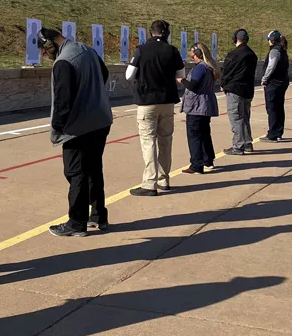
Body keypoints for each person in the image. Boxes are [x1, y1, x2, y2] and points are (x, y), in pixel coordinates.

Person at [37, 28, 113, 237]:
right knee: (93, 169)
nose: (45, 56)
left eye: (45, 51)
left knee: (75, 172)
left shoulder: (63, 62)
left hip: (79, 126)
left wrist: (58, 127)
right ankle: (98, 216)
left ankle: (76, 222)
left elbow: (63, 100)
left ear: (49, 43)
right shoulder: (87, 50)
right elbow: (104, 74)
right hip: (100, 119)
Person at [126, 20, 185, 196]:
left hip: (147, 102)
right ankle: (164, 179)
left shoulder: (142, 50)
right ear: (166, 33)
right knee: (165, 141)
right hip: (167, 102)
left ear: (151, 33)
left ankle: (149, 183)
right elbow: (181, 74)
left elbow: (129, 75)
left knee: (148, 142)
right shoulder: (172, 50)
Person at [178, 43, 220, 173]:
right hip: (204, 105)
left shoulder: (200, 68)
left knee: (194, 135)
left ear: (196, 54)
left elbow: (193, 86)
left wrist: (182, 80)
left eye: (191, 51)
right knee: (204, 133)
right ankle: (208, 159)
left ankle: (196, 164)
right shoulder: (207, 67)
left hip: (197, 106)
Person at [222, 29, 258, 155]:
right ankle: (247, 142)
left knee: (236, 118)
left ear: (235, 39)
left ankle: (238, 146)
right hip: (248, 90)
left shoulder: (234, 54)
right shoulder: (252, 54)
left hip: (235, 90)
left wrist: (223, 84)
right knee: (245, 117)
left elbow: (226, 71)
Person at [260, 31, 290, 142]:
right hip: (282, 82)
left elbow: (271, 66)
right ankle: (278, 132)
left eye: (268, 39)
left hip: (274, 83)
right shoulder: (283, 50)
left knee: (272, 108)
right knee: (279, 107)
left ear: (272, 40)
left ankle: (272, 134)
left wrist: (264, 79)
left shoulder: (274, 51)